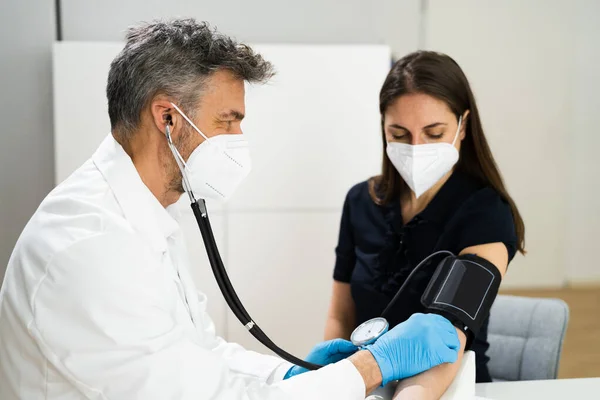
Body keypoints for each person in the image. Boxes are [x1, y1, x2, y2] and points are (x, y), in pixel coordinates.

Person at [0, 20, 460, 400]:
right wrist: (369, 368)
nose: (238, 139)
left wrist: (288, 375)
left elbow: (199, 355)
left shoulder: (144, 216)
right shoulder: (92, 245)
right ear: (167, 118)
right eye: (229, 121)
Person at [324, 51, 525, 398]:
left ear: (463, 126)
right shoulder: (359, 201)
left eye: (434, 132)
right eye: (399, 134)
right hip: (368, 385)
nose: (417, 147)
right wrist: (327, 382)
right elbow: (340, 317)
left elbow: (450, 334)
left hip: (442, 386)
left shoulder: (487, 213)